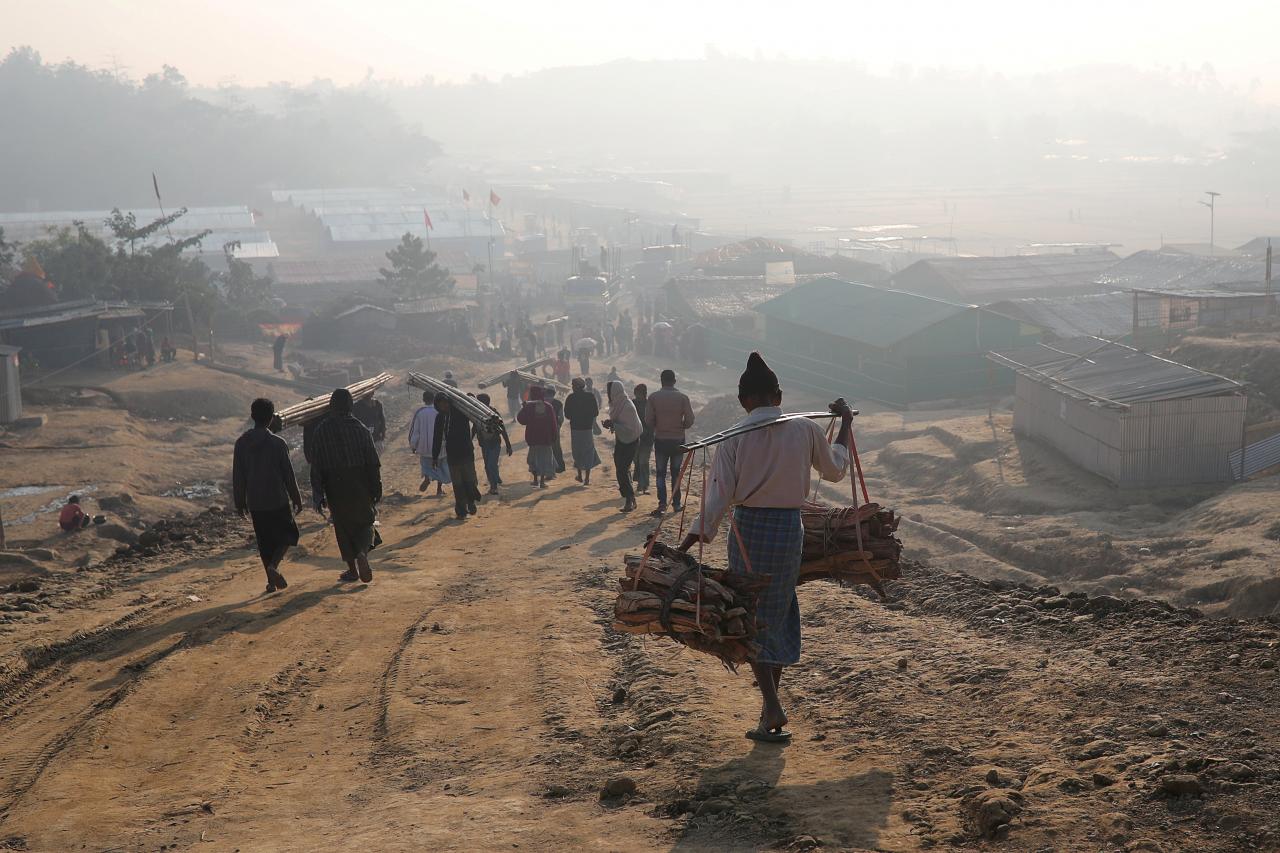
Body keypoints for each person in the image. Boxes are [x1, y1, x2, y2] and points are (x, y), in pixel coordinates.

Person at [679, 352, 852, 744]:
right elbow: (836, 468)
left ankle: (771, 704)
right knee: (776, 608)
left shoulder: (734, 435)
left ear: (744, 401)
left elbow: (719, 497)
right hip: (789, 531)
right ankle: (767, 710)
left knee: (752, 615)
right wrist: (846, 424)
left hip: (749, 531)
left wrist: (691, 538)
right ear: (778, 395)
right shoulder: (805, 429)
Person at [309, 389, 383, 584]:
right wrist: (376, 488)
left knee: (343, 527)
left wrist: (318, 494)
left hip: (334, 485)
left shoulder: (322, 430)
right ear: (351, 406)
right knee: (366, 522)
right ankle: (362, 553)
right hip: (360, 482)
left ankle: (352, 570)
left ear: (331, 407)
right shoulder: (360, 429)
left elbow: (315, 465)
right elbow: (373, 462)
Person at [232, 397, 303, 593]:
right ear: (271, 418)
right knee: (288, 534)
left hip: (255, 501)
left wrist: (240, 502)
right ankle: (274, 567)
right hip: (277, 499)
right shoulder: (278, 443)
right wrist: (296, 498)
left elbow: (238, 476)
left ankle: (271, 582)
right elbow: (288, 475)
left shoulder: (241, 443)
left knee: (265, 541)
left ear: (252, 416)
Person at [645, 369, 696, 516]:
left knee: (661, 473)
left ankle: (662, 504)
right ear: (674, 381)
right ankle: (677, 503)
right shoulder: (682, 398)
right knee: (676, 473)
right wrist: (681, 426)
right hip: (677, 440)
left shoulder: (654, 397)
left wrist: (658, 425)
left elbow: (648, 420)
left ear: (661, 381)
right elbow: (690, 420)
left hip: (661, 439)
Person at [431, 396, 483, 521]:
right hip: (452, 455)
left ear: (449, 403)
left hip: (466, 452)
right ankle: (461, 510)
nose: (443, 406)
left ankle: (471, 502)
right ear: (437, 406)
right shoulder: (440, 418)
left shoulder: (461, 412)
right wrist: (435, 456)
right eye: (440, 405)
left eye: (445, 403)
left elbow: (475, 417)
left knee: (469, 481)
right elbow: (437, 438)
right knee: (457, 484)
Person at [602, 380, 642, 512]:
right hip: (621, 440)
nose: (608, 394)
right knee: (621, 468)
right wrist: (610, 423)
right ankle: (630, 498)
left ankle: (629, 499)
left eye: (609, 392)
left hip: (631, 440)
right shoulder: (617, 404)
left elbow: (630, 428)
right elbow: (618, 422)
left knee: (622, 469)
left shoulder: (627, 406)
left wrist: (614, 425)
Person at [408, 391, 451, 496]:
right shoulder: (440, 411)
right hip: (441, 446)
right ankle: (439, 489)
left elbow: (414, 430)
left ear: (424, 399)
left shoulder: (420, 412)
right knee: (441, 466)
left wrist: (413, 445)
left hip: (425, 446)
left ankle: (427, 478)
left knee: (426, 466)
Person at [517, 386, 559, 488]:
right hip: (545, 438)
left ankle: (535, 480)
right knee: (544, 459)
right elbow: (553, 423)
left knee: (534, 459)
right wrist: (554, 436)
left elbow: (521, 420)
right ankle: (542, 482)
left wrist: (523, 408)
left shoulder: (529, 407)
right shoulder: (548, 406)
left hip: (533, 438)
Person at [563, 378, 601, 484]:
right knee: (588, 451)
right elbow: (595, 412)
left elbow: (567, 415)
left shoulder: (571, 398)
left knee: (577, 451)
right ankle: (587, 478)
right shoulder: (590, 396)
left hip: (575, 428)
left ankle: (579, 475)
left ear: (577, 386)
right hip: (587, 428)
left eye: (573, 385)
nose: (572, 387)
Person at [475, 393, 513, 494]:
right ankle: (495, 479)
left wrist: (508, 445)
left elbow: (502, 430)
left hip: (494, 443)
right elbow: (474, 428)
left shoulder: (494, 413)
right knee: (488, 465)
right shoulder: (477, 413)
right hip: (484, 443)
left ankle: (494, 486)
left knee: (491, 464)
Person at [632, 383, 654, 495]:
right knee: (636, 460)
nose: (637, 395)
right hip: (635, 437)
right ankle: (640, 483)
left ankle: (645, 485)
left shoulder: (650, 404)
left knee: (643, 461)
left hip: (647, 437)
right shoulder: (633, 403)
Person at [545, 385, 567, 474]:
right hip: (555, 428)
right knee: (556, 447)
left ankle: (548, 468)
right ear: (554, 393)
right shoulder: (558, 403)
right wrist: (558, 426)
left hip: (545, 428)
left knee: (546, 448)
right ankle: (559, 467)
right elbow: (561, 418)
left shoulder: (542, 402)